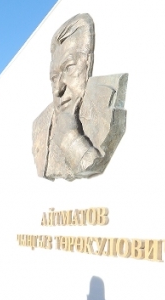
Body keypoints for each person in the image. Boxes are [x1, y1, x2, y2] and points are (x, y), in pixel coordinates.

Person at [32, 13, 127, 181]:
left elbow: (93, 163)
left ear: (87, 64)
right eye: (54, 78)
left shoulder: (107, 99)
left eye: (68, 68)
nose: (58, 89)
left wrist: (70, 138)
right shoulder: (40, 126)